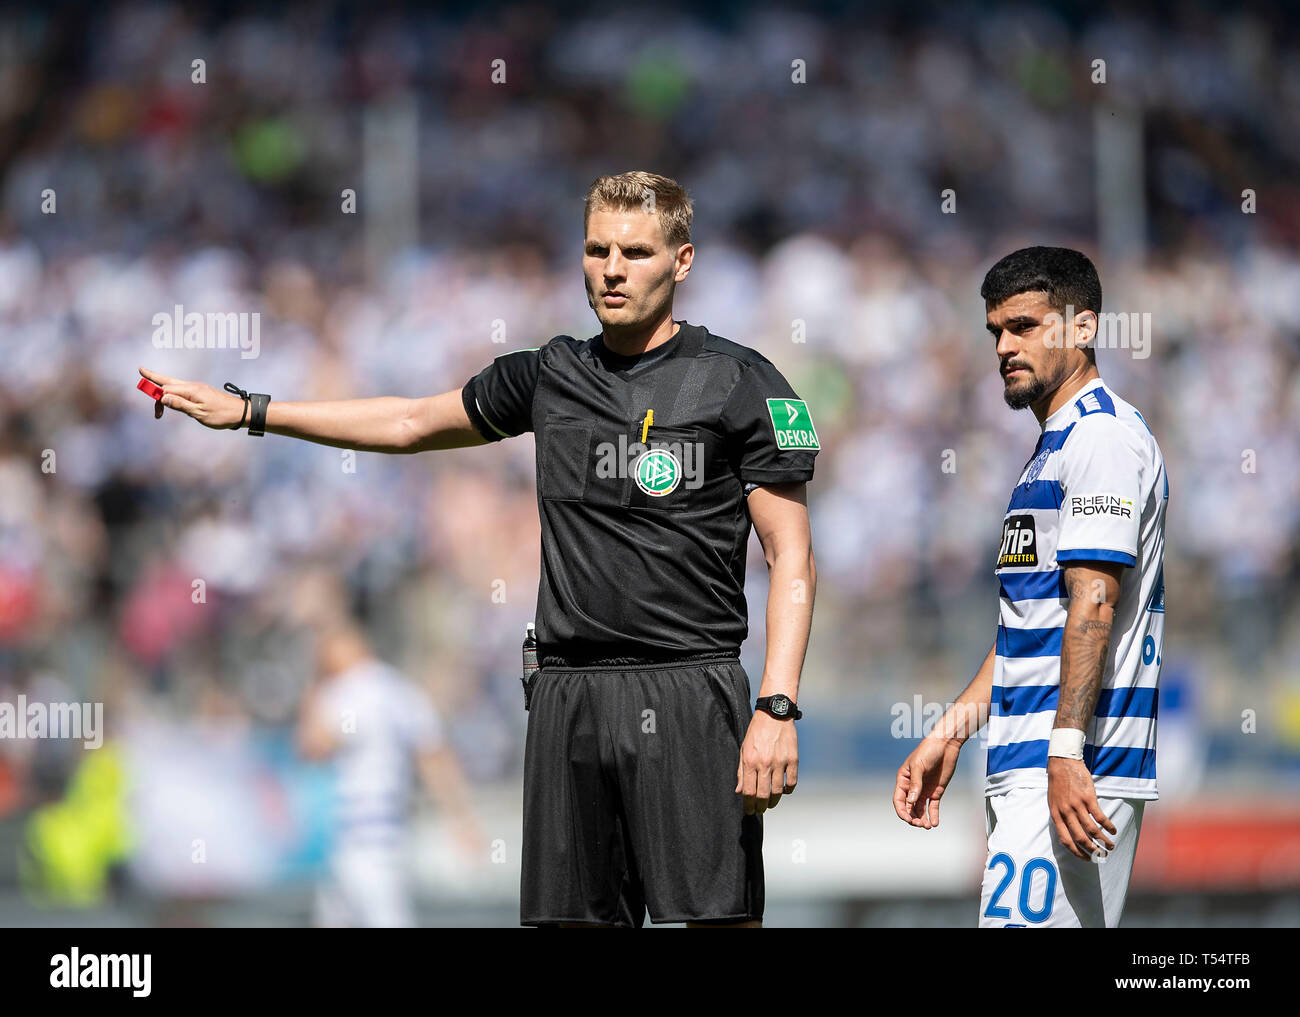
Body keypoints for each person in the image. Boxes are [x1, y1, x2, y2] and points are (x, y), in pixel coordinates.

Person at [140, 170, 819, 928]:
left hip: (690, 689)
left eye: (634, 250)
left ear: (682, 261)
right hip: (569, 694)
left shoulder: (738, 381)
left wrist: (777, 705)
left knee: (720, 920)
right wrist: (252, 411)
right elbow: (408, 422)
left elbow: (791, 555)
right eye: (597, 249)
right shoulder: (550, 374)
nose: (612, 269)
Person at [893, 246, 1167, 928]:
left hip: (1073, 762)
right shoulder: (1052, 447)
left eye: (1024, 326)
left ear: (1081, 327)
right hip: (1033, 759)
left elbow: (1093, 604)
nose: (1004, 347)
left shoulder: (1100, 439)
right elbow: (1031, 626)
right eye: (995, 332)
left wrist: (1067, 752)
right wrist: (953, 728)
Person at [293, 577, 484, 928]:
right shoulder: (400, 691)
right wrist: (462, 820)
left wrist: (314, 681)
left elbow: (311, 746)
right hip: (384, 840)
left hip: (356, 842)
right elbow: (435, 758)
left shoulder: (348, 692)